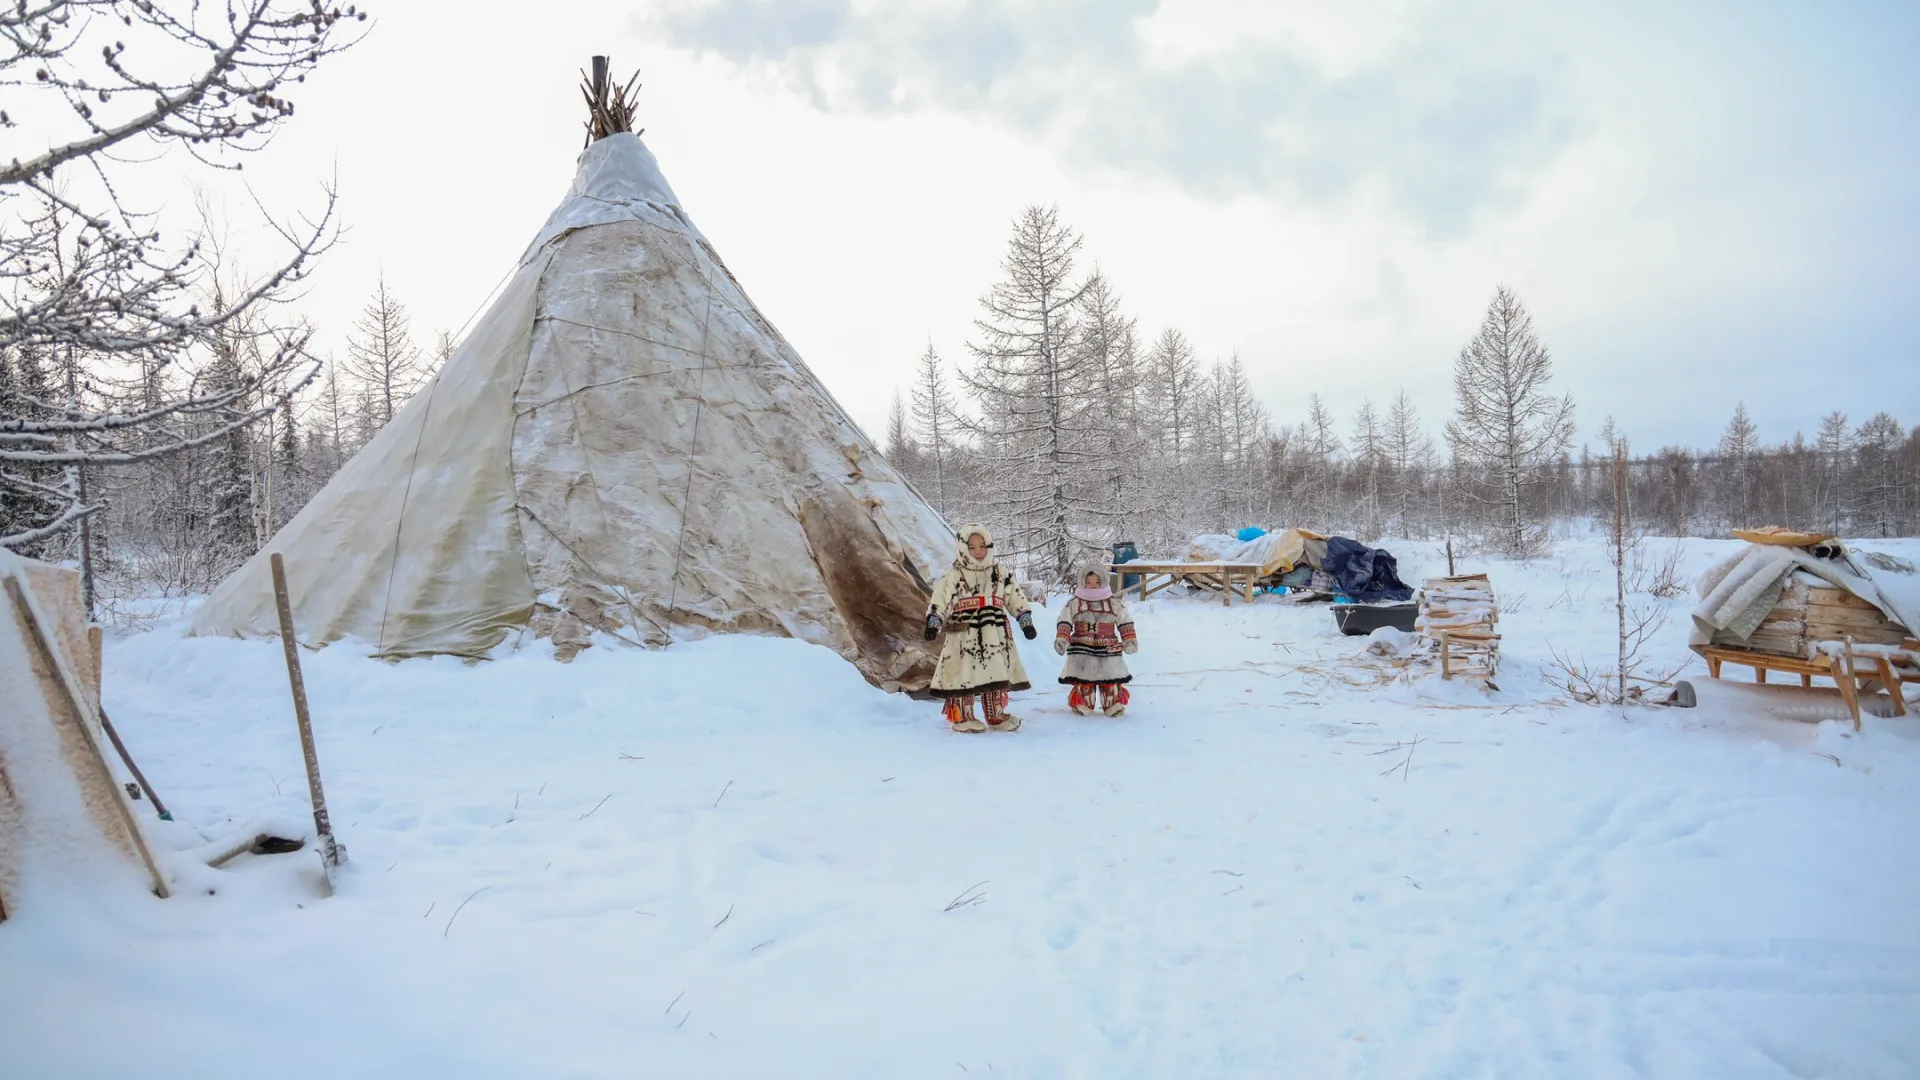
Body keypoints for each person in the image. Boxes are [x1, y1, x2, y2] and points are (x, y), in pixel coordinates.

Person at [924, 524, 1036, 732]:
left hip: (994, 629)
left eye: (982, 546)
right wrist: (934, 621)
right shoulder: (954, 574)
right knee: (963, 672)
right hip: (963, 631)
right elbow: (941, 598)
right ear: (963, 548)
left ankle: (996, 715)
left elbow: (1014, 595)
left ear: (990, 546)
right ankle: (963, 717)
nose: (978, 551)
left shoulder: (1000, 572)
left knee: (995, 671)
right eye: (972, 547)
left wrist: (1024, 619)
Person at [1054, 565, 1137, 716]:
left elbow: (1125, 621)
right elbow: (1064, 621)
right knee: (1084, 678)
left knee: (1110, 676)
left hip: (1108, 644)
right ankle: (1083, 704)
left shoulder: (1114, 603)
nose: (1093, 586)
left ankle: (1113, 705)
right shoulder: (1074, 603)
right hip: (1081, 645)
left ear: (1105, 582)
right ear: (1081, 582)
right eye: (1089, 582)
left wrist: (1129, 639)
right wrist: (1062, 638)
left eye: (1098, 582)